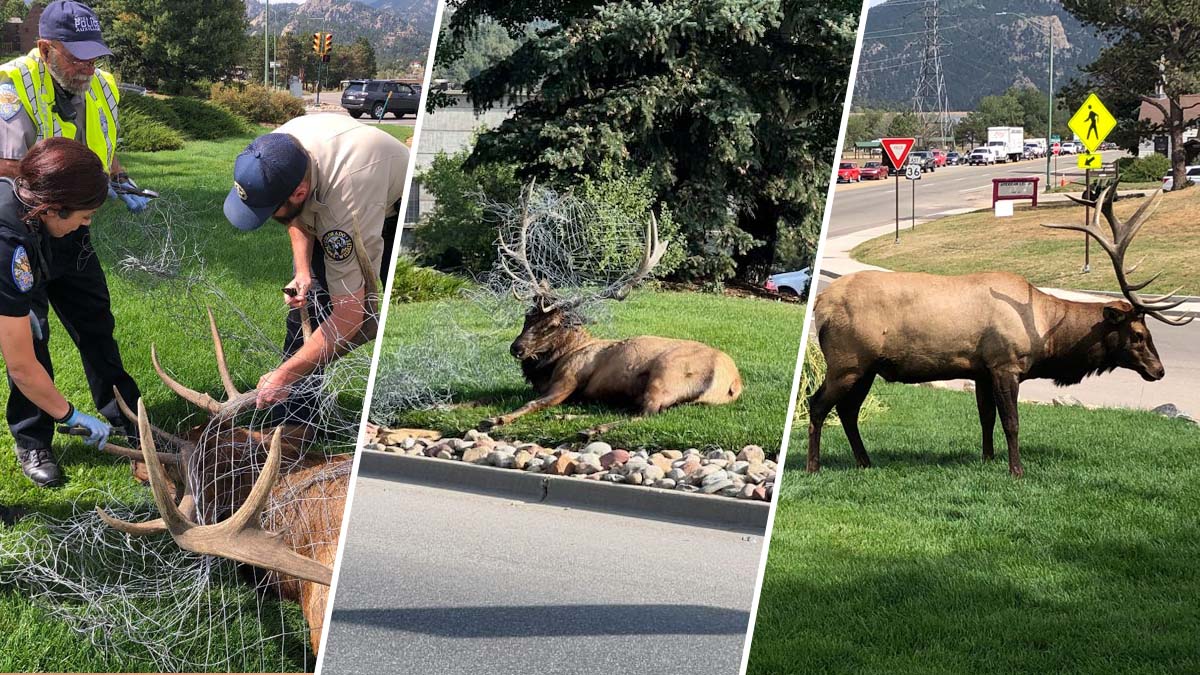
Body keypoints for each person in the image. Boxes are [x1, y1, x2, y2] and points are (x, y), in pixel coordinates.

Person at [0, 1, 145, 482]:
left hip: (71, 226)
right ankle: (34, 438)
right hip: (30, 227)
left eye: (95, 56)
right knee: (30, 338)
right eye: (76, 56)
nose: (89, 66)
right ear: (45, 49)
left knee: (96, 322)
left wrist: (118, 182)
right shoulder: (10, 87)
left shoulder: (100, 86)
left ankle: (123, 413)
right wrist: (64, 189)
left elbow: (105, 145)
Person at [223, 113, 407, 420]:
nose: (266, 217)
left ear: (299, 193)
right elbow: (294, 214)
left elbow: (350, 314)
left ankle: (382, 411)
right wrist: (303, 271)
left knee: (372, 314)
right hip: (336, 191)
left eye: (268, 210)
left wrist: (284, 373)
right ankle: (294, 421)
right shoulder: (274, 152)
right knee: (307, 308)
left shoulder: (345, 208)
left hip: (389, 205)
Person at [0, 137, 114, 487]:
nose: (86, 225)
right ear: (52, 208)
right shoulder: (9, 247)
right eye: (84, 216)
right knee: (27, 352)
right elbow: (21, 367)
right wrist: (70, 414)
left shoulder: (24, 202)